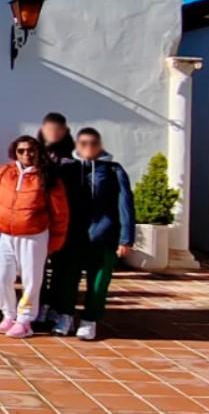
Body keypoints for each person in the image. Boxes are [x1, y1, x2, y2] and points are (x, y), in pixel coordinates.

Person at [51, 127, 135, 340]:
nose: (88, 147)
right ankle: (66, 316)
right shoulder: (67, 169)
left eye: (93, 143)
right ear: (77, 146)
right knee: (67, 280)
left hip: (103, 237)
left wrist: (126, 238)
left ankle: (90, 320)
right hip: (72, 236)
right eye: (83, 143)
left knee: (98, 283)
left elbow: (125, 205)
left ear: (100, 145)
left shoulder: (113, 170)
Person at [0, 135, 69, 339]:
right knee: (1, 277)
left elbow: (60, 212)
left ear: (38, 152)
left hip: (34, 234)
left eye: (30, 150)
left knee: (31, 279)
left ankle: (25, 320)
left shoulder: (48, 176)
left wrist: (56, 239)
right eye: (21, 150)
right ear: (14, 152)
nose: (26, 154)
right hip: (4, 233)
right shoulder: (3, 173)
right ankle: (8, 314)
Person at [36, 112, 80, 328]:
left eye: (57, 129)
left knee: (63, 269)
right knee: (38, 269)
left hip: (65, 224)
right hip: (39, 224)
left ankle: (60, 310)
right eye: (49, 128)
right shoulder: (35, 158)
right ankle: (40, 307)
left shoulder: (72, 163)